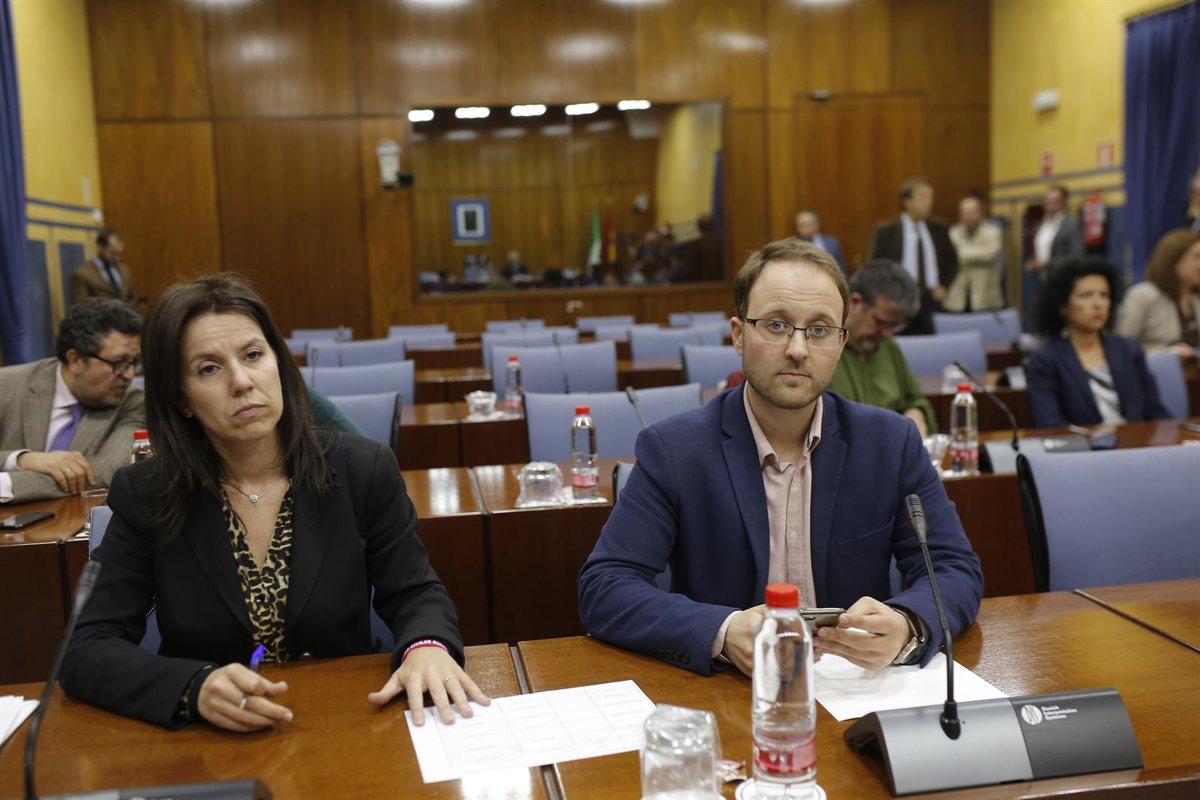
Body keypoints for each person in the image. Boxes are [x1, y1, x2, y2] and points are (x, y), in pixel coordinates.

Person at [60, 275, 488, 731]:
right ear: (180, 398)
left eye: (253, 355)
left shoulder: (362, 469)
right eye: (209, 368)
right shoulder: (147, 492)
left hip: (345, 720)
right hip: (211, 738)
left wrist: (426, 645)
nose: (242, 382)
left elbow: (415, 592)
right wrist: (192, 687)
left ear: (278, 364)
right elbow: (86, 648)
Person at [578, 239, 982, 677]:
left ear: (841, 342)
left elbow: (953, 568)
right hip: (731, 690)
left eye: (820, 330)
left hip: (855, 686)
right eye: (776, 325)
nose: (798, 349)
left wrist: (908, 623)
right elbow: (606, 587)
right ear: (738, 335)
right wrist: (723, 631)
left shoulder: (891, 443)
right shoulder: (675, 449)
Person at [0, 299, 144, 504]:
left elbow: (104, 473)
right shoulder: (7, 386)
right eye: (119, 363)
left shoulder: (132, 400)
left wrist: (6, 484)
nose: (129, 375)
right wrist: (21, 459)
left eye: (134, 363)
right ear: (75, 360)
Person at [1026, 257, 1171, 428]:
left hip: (1136, 442)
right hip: (1082, 445)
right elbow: (1051, 424)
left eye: (1104, 295)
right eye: (1086, 296)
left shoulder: (1128, 349)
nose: (1098, 304)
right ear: (1063, 305)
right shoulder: (1045, 359)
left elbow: (1155, 411)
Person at [828, 260, 937, 436]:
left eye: (894, 326)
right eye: (881, 322)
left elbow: (915, 399)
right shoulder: (823, 349)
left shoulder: (889, 348)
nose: (887, 334)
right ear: (855, 302)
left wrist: (916, 413)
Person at [868, 177, 959, 335]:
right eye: (923, 197)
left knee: (932, 342)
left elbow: (953, 260)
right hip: (899, 300)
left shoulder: (940, 228)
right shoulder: (886, 231)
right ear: (907, 201)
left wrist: (945, 285)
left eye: (931, 197)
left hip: (932, 300)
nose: (929, 202)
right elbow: (875, 266)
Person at [1115, 229, 1200, 356]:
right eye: (1197, 257)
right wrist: (1166, 355)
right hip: (1155, 367)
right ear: (1173, 260)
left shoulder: (1195, 297)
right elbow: (1122, 348)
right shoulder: (1143, 295)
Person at [944, 193, 1004, 312]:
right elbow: (951, 257)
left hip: (985, 296)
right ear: (960, 215)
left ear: (980, 213)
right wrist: (979, 251)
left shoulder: (993, 231)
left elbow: (990, 255)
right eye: (965, 213)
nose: (969, 217)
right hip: (958, 296)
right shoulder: (953, 232)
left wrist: (961, 252)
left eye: (972, 212)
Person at [1025, 185, 1083, 276]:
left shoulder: (1072, 224)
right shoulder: (1042, 224)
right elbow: (1040, 251)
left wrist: (1048, 264)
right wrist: (1033, 262)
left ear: (1064, 202)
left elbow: (1076, 257)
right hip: (1043, 278)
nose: (1050, 204)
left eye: (1055, 201)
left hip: (1063, 278)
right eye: (1047, 200)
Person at [69, 229, 137, 307]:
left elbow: (133, 299)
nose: (118, 258)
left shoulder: (124, 271)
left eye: (119, 254)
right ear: (100, 248)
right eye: (113, 253)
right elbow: (79, 307)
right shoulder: (82, 274)